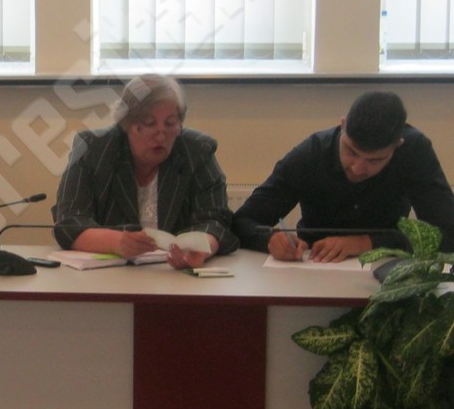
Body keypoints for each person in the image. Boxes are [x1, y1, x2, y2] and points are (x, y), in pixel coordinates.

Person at [233, 90, 454, 262]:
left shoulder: (414, 151)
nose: (358, 168)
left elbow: (448, 232)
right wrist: (270, 239)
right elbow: (242, 221)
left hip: (386, 269)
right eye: (351, 152)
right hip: (313, 265)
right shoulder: (312, 153)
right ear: (343, 125)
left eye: (374, 161)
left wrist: (366, 243)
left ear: (397, 145)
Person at [53, 74, 238, 269]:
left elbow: (217, 221)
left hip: (174, 275)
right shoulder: (93, 148)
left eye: (170, 123)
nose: (161, 135)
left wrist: (202, 249)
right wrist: (116, 242)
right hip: (109, 275)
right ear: (126, 124)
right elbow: (69, 223)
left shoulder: (197, 150)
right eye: (149, 123)